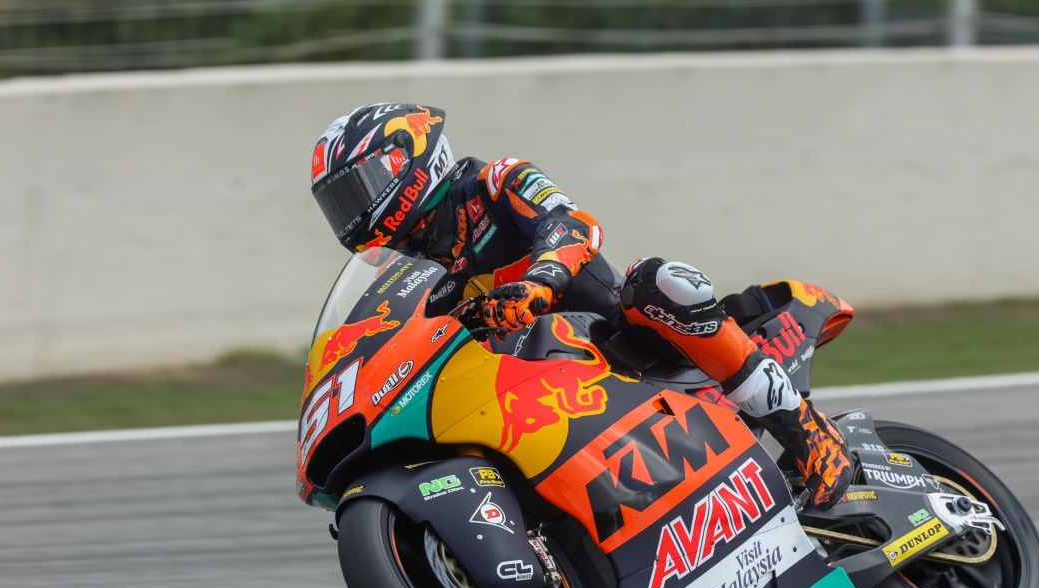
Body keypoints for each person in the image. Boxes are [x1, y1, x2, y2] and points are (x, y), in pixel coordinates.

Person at [309, 103, 853, 508]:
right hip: (524, 385)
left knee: (660, 281)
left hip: (617, 341)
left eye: (358, 190)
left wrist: (539, 283)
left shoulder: (494, 182)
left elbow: (573, 223)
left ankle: (807, 433)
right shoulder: (404, 268)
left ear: (409, 160)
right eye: (339, 204)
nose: (351, 214)